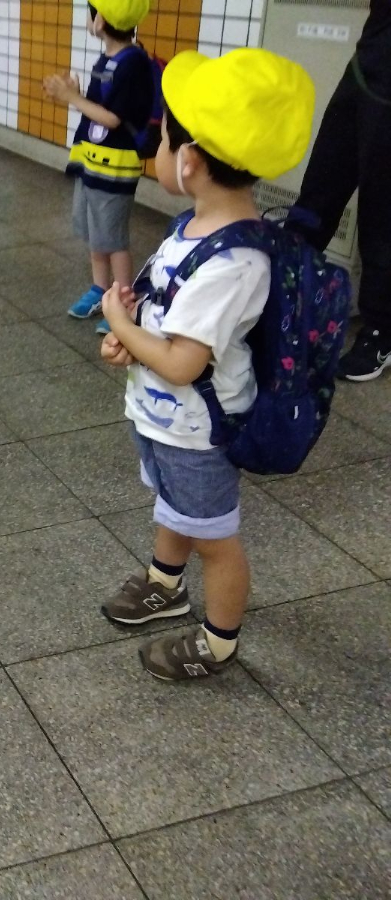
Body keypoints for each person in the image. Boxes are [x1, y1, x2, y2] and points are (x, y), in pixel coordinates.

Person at [98, 48, 314, 680]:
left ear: (188, 161)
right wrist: (132, 332)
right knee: (175, 508)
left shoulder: (232, 263)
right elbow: (170, 326)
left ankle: (219, 641)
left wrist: (120, 327)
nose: (157, 147)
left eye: (162, 138)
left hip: (196, 431)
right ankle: (166, 583)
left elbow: (184, 363)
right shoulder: (193, 227)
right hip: (166, 418)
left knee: (214, 539)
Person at [291, 2, 391, 382]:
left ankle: (380, 330)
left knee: (380, 210)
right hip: (369, 58)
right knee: (321, 185)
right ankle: (284, 291)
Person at [44, 0, 153, 336]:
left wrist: (71, 98)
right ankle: (99, 289)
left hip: (115, 168)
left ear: (101, 19)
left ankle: (123, 300)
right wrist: (76, 95)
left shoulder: (133, 63)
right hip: (93, 161)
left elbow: (113, 118)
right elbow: (98, 109)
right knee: (95, 233)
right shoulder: (108, 59)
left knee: (114, 239)